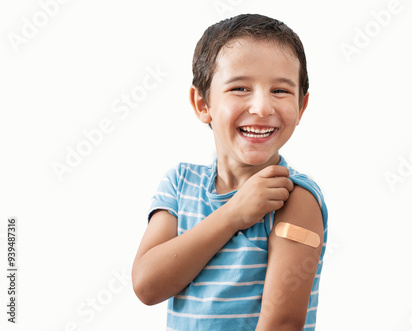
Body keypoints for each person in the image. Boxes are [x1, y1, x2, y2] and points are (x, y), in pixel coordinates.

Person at [132, 13, 328, 330]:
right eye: (239, 88)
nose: (262, 107)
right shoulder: (180, 184)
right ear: (202, 103)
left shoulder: (295, 199)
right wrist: (233, 214)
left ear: (301, 106)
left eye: (280, 91)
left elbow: (283, 323)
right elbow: (147, 284)